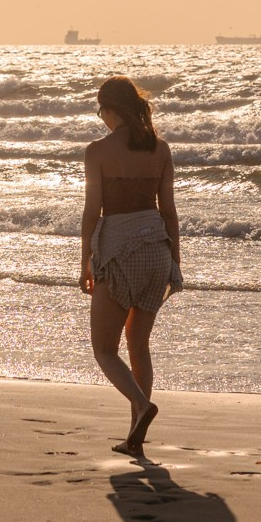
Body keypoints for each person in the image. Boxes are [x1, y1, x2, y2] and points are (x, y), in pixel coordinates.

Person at [79, 75, 182, 456]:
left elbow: (93, 213)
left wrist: (86, 262)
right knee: (138, 343)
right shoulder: (161, 149)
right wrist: (175, 260)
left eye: (99, 110)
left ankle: (141, 405)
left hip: (120, 250)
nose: (100, 117)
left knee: (105, 349)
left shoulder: (98, 151)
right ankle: (135, 434)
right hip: (157, 248)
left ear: (109, 109)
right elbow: (169, 211)